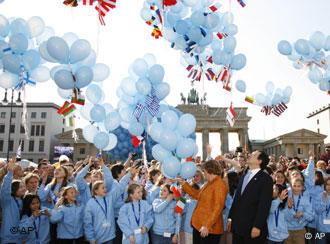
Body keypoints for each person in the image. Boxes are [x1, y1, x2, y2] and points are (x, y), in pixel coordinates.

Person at [227, 150, 273, 244]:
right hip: (237, 226)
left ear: (260, 161)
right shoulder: (244, 175)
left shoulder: (266, 179)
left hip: (252, 228)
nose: (250, 154)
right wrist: (231, 218)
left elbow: (264, 205)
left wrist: (257, 226)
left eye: (254, 154)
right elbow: (237, 199)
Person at [178, 160, 228, 244]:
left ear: (210, 171)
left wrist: (207, 225)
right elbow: (197, 195)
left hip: (209, 229)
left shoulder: (220, 185)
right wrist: (184, 184)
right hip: (199, 226)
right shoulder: (208, 183)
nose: (203, 174)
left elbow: (218, 207)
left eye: (204, 171)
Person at [84, 168, 134, 244]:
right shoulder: (90, 203)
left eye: (106, 187)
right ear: (96, 191)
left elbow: (120, 186)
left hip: (110, 236)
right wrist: (91, 238)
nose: (105, 189)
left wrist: (129, 174)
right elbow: (88, 222)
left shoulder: (110, 198)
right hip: (97, 238)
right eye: (103, 188)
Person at [0, 159, 26, 244]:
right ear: (13, 189)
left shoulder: (23, 200)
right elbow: (5, 189)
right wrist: (10, 172)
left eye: (24, 186)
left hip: (20, 238)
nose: (24, 189)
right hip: (8, 238)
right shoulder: (7, 201)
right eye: (20, 187)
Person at [286, 178, 313, 244]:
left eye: (298, 186)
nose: (296, 188)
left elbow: (311, 217)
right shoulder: (286, 198)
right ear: (291, 186)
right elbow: (283, 216)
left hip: (300, 231)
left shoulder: (305, 200)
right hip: (287, 230)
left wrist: (302, 214)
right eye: (294, 186)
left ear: (302, 187)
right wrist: (289, 208)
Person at [315, 177, 330, 244]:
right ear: (325, 185)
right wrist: (323, 202)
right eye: (327, 184)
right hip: (321, 229)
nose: (329, 187)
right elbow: (317, 211)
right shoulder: (320, 195)